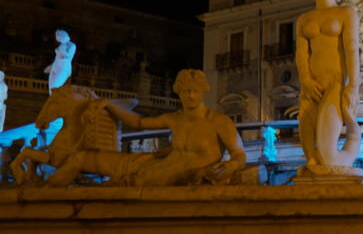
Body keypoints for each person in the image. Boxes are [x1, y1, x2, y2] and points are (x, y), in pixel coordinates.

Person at [45, 69, 246, 187]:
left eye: (194, 91)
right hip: (152, 163)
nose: (190, 96)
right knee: (80, 158)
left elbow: (239, 154)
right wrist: (107, 104)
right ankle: (43, 196)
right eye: (185, 91)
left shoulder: (219, 121)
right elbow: (139, 123)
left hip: (170, 175)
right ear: (179, 93)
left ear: (203, 92)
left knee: (132, 183)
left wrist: (231, 166)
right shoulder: (174, 118)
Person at [295, 0, 362, 175]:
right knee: (312, 160)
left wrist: (353, 85)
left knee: (327, 156)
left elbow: (352, 49)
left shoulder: (346, 12)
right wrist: (305, 79)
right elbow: (301, 53)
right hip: (311, 86)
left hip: (336, 83)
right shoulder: (304, 19)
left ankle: (354, 137)